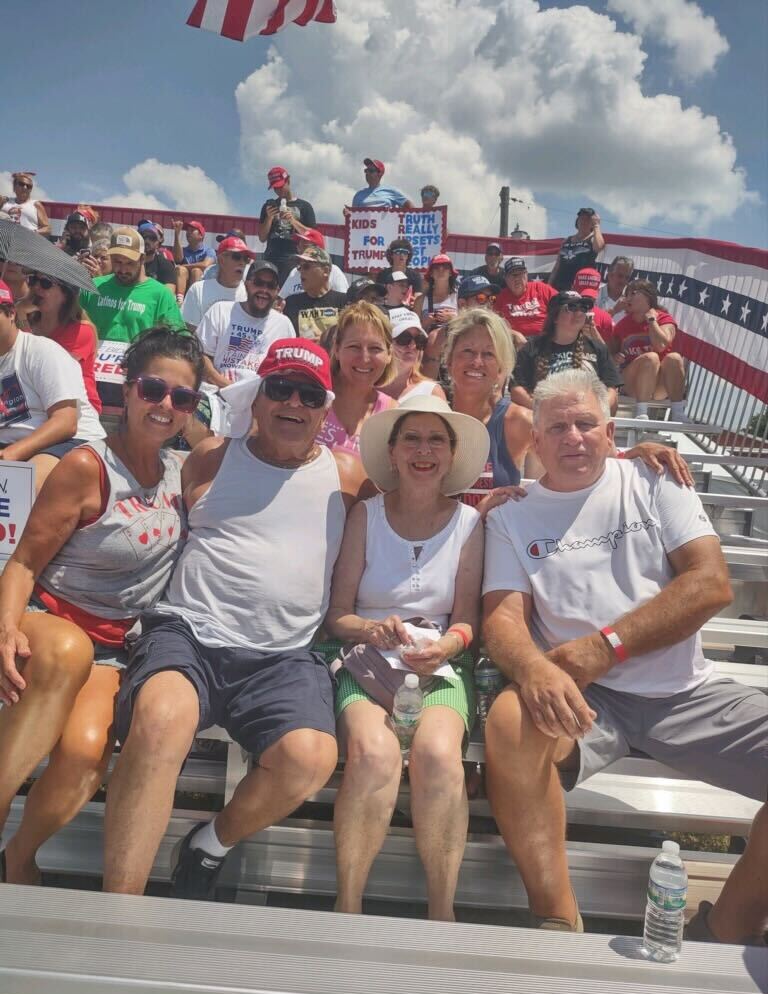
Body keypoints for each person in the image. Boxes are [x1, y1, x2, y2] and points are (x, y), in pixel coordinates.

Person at [483, 368, 768, 942]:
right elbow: (502, 616)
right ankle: (559, 916)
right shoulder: (510, 515)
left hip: (685, 692)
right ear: (534, 441)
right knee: (511, 723)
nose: (573, 438)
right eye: (557, 427)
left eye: (586, 423)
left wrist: (604, 647)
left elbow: (711, 584)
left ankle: (728, 927)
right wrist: (536, 666)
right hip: (587, 700)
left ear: (610, 430)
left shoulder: (655, 476)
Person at [102, 339, 364, 900]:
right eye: (280, 388)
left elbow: (416, 504)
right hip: (191, 632)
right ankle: (116, 908)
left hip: (285, 654)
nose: (294, 402)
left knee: (310, 757)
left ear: (325, 407)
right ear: (258, 396)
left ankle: (209, 843)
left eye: (310, 393)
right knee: (160, 720)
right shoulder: (214, 456)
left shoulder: (347, 475)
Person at [0, 328, 202, 887]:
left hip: (117, 647)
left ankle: (19, 857)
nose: (165, 405)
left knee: (88, 753)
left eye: (181, 397)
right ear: (127, 389)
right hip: (53, 621)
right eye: (153, 388)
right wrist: (4, 628)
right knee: (67, 650)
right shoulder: (87, 467)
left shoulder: (183, 472)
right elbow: (23, 563)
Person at [325, 394, 487, 920]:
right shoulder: (365, 516)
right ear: (392, 452)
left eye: (435, 439)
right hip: (367, 655)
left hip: (437, 661)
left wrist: (447, 644)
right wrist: (375, 630)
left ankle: (443, 910)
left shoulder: (469, 523)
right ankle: (347, 904)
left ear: (451, 453)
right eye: (411, 439)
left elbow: (466, 619)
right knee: (374, 753)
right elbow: (339, 614)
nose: (423, 451)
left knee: (440, 756)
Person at [0, 281, 105, 492]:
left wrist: (10, 454)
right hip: (14, 444)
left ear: (11, 313)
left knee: (21, 486)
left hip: (71, 440)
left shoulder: (42, 351)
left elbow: (66, 422)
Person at [79, 228, 185, 407]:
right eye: (117, 262)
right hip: (90, 382)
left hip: (135, 386)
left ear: (143, 259)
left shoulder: (160, 295)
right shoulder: (91, 287)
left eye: (129, 263)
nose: (122, 269)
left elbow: (178, 341)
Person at [443, 309, 530, 504]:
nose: (476, 362)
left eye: (489, 354)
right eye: (468, 351)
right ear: (449, 361)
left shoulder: (517, 421)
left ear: (501, 369)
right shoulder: (431, 416)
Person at [510, 292, 622, 414]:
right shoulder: (531, 348)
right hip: (545, 421)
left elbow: (612, 390)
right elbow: (517, 390)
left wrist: (594, 410)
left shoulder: (598, 349)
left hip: (585, 419)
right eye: (572, 307)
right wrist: (545, 411)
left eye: (583, 308)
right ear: (555, 317)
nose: (579, 313)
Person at [316, 301, 396, 457]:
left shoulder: (392, 414)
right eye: (354, 347)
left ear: (389, 354)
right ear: (337, 349)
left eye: (375, 349)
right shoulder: (311, 397)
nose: (365, 358)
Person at [197, 259, 294, 387]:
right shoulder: (220, 311)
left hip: (261, 398)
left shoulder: (283, 324)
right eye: (258, 283)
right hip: (217, 391)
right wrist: (226, 385)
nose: (264, 290)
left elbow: (288, 368)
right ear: (246, 284)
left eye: (271, 286)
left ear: (277, 291)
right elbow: (201, 354)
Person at [23, 272, 101, 413]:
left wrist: (23, 325)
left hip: (78, 409)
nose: (36, 288)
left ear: (65, 295)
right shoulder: (26, 320)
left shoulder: (81, 330)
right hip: (36, 404)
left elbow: (52, 371)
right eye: (33, 280)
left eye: (45, 283)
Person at [612, 279, 686, 420]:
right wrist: (615, 356)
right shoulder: (622, 325)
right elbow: (611, 353)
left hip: (658, 385)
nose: (627, 298)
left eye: (632, 293)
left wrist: (652, 321)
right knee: (651, 357)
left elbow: (661, 345)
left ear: (648, 296)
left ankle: (678, 413)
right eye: (626, 294)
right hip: (631, 383)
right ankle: (641, 411)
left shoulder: (664, 319)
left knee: (674, 358)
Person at [258, 167, 317, 285]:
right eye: (275, 188)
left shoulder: (304, 206)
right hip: (271, 258)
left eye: (280, 186)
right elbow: (262, 237)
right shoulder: (269, 206)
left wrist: (293, 221)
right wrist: (269, 218)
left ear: (288, 180)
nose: (278, 190)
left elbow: (313, 237)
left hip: (294, 260)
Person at [181, 236, 252, 330]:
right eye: (237, 257)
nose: (242, 263)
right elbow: (189, 329)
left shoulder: (249, 294)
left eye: (246, 259)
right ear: (221, 260)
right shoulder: (198, 290)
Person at [379, 308, 446, 403]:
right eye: (404, 338)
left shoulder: (431, 392)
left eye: (419, 340)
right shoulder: (365, 387)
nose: (412, 346)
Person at [283, 246, 346, 341]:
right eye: (300, 267)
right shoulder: (291, 302)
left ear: (325, 271)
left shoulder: (343, 302)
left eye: (306, 266)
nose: (301, 272)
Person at [494, 257, 557, 339]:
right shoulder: (500, 297)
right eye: (513, 275)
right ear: (505, 278)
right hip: (515, 342)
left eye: (520, 274)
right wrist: (514, 334)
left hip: (544, 340)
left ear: (526, 274)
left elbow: (562, 303)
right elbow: (493, 323)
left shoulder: (541, 288)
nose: (517, 279)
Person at [280, 229, 349, 299]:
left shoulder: (334, 271)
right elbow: (282, 299)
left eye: (305, 246)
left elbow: (343, 300)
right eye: (299, 246)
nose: (300, 250)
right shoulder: (295, 272)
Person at [549, 207, 606, 291]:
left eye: (587, 219)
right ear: (577, 221)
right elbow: (557, 265)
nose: (584, 221)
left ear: (592, 223)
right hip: (558, 286)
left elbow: (599, 247)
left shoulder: (593, 239)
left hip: (579, 288)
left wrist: (597, 225)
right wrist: (549, 285)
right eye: (581, 218)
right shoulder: (566, 241)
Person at [172, 220, 216, 299]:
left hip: (203, 290)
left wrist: (184, 265)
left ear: (201, 235)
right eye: (187, 231)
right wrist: (176, 234)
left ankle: (192, 299)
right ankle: (179, 300)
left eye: (192, 230)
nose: (188, 233)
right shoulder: (184, 250)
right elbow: (177, 260)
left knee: (196, 271)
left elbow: (205, 265)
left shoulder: (209, 250)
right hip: (184, 286)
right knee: (181, 270)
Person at [571, 269, 615, 345]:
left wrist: (594, 334)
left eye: (590, 297)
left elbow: (608, 354)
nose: (586, 301)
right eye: (583, 296)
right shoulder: (562, 314)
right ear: (572, 288)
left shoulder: (605, 319)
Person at [137, 220, 176, 294]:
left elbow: (168, 295)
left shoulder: (166, 266)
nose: (147, 241)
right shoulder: (128, 262)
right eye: (143, 237)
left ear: (158, 243)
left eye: (152, 238)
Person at [596, 255, 634, 322]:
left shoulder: (632, 298)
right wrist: (615, 310)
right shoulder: (595, 294)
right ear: (610, 275)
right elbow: (593, 323)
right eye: (620, 276)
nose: (623, 281)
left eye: (627, 277)